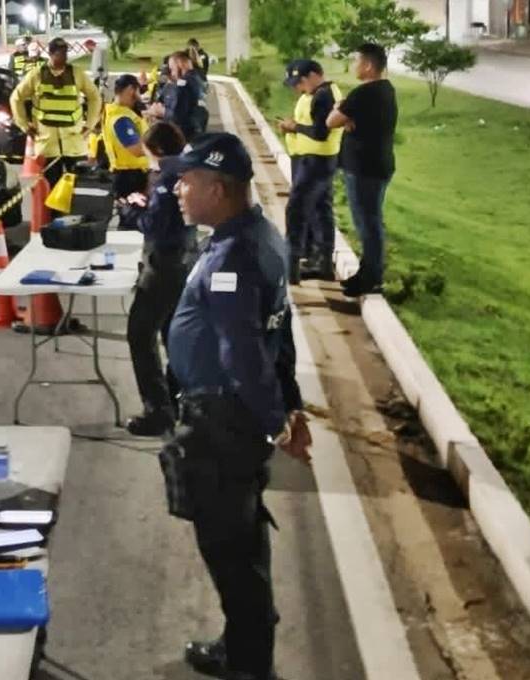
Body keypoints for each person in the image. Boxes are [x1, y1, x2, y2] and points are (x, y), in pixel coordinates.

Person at [163, 132, 311, 680]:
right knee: (241, 541)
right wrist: (290, 407)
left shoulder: (233, 256)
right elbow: (281, 330)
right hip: (232, 421)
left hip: (222, 426)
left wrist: (279, 422)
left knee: (230, 550)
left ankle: (249, 665)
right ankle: (244, 645)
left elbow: (243, 351)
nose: (178, 189)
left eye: (188, 181)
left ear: (219, 189)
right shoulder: (258, 235)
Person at [116, 122, 192, 435]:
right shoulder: (185, 168)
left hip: (163, 265)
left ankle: (158, 410)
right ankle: (179, 400)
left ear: (158, 151)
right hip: (182, 260)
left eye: (148, 154)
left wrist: (129, 212)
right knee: (172, 334)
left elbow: (155, 225)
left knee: (140, 334)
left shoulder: (166, 178)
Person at [327, 43, 398, 297]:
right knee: (371, 221)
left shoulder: (363, 94)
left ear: (368, 65)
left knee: (367, 223)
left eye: (356, 60)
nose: (354, 65)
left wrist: (340, 109)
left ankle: (372, 278)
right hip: (379, 165)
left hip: (364, 168)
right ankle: (367, 272)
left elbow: (331, 122)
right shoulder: (386, 90)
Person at [10, 37, 102, 215]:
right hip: (48, 144)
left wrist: (89, 125)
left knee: (79, 189)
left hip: (74, 143)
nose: (63, 57)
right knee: (54, 191)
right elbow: (16, 98)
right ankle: (57, 225)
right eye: (59, 53)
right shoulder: (37, 74)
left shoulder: (77, 73)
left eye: (65, 53)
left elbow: (95, 97)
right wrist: (24, 124)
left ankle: (78, 225)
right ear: (51, 54)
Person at [277, 59, 342, 283]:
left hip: (315, 161)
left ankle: (291, 267)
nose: (299, 86)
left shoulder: (323, 95)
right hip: (321, 159)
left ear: (316, 75)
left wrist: (295, 127)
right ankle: (323, 264)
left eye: (302, 81)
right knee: (322, 210)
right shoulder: (323, 93)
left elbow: (320, 132)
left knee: (296, 211)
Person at [102, 75, 150, 211]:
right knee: (133, 219)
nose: (140, 96)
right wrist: (161, 148)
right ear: (130, 89)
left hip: (127, 175)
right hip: (130, 178)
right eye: (138, 91)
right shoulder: (122, 119)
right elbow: (135, 149)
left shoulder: (113, 112)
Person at [151, 51, 206, 141]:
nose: (172, 73)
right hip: (194, 133)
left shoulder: (184, 84)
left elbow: (179, 115)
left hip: (183, 136)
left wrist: (162, 111)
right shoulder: (196, 78)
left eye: (172, 69)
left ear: (181, 64)